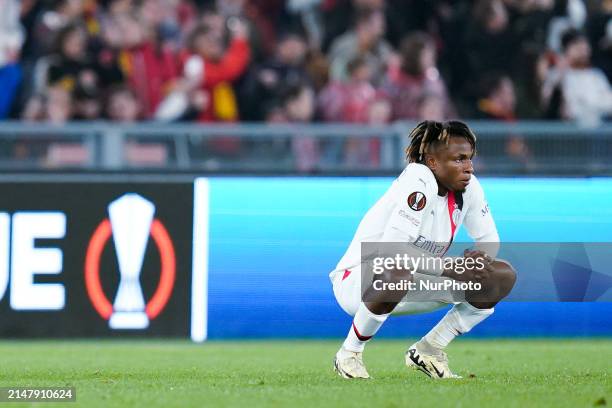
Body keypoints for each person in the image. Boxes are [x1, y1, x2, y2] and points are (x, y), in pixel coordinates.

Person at [330, 120, 516, 379]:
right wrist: (451, 268)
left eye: (470, 159)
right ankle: (349, 354)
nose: (469, 168)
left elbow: (489, 240)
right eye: (459, 159)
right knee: (397, 271)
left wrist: (479, 260)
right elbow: (392, 252)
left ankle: (429, 350)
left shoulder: (469, 186)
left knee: (501, 276)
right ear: (432, 162)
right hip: (358, 280)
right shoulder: (418, 180)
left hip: (413, 277)